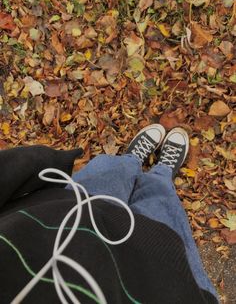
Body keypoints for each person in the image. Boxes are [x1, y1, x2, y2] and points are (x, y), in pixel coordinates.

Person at [0, 124, 218, 304]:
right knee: (160, 203)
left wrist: (35, 165)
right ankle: (161, 173)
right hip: (162, 282)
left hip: (64, 213)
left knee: (106, 177)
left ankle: (130, 160)